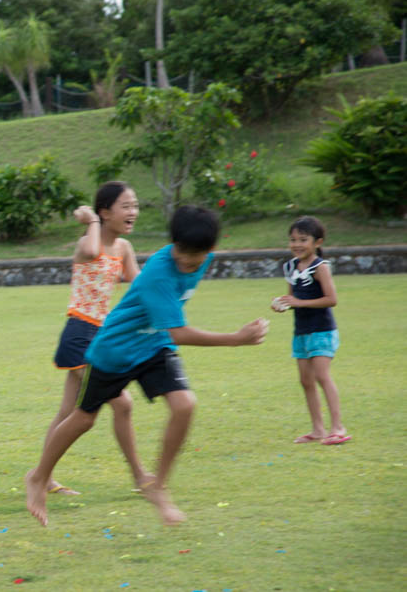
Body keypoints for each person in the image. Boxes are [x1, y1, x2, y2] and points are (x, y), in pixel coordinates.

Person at [25, 206, 269, 527]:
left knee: (184, 405)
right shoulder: (159, 272)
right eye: (181, 254)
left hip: (153, 347)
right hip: (115, 350)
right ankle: (38, 476)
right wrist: (235, 339)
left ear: (211, 250)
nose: (186, 263)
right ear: (173, 244)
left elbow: (169, 330)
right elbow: (178, 332)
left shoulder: (204, 258)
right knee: (83, 419)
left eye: (194, 258)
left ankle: (158, 487)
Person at [43, 182, 151, 496]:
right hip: (79, 334)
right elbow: (91, 252)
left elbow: (142, 285)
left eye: (135, 205)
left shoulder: (124, 249)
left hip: (101, 337)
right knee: (123, 402)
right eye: (126, 206)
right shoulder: (86, 244)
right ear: (105, 212)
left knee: (68, 412)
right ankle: (140, 477)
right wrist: (90, 221)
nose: (133, 212)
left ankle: (43, 478)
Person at [272, 216, 350, 445]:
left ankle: (338, 427)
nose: (297, 244)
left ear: (317, 242)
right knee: (306, 381)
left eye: (303, 239)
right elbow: (292, 298)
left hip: (322, 330)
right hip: (301, 331)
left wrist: (299, 303)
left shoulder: (320, 267)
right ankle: (318, 430)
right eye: (293, 239)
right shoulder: (289, 266)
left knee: (321, 376)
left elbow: (331, 299)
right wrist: (281, 304)